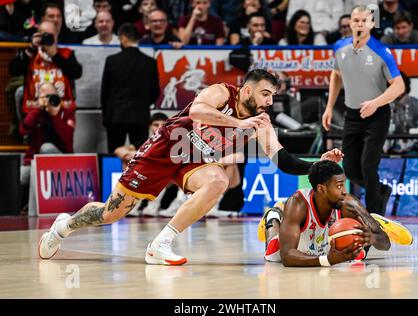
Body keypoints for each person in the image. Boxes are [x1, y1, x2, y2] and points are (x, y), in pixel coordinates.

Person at [38, 68, 344, 265]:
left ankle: (161, 244)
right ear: (248, 91)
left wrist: (320, 163)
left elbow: (284, 162)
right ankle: (64, 225)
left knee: (218, 181)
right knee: (111, 213)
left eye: (272, 97)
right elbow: (198, 109)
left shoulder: (260, 124)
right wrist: (239, 122)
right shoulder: (223, 91)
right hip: (165, 149)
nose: (268, 102)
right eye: (265, 94)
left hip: (195, 161)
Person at [322, 5, 405, 216]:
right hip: (352, 115)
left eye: (364, 20)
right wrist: (329, 107)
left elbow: (399, 85)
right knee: (349, 168)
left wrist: (376, 102)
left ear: (372, 24)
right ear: (350, 23)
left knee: (368, 165)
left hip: (376, 116)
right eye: (355, 20)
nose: (359, 24)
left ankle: (374, 217)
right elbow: (336, 75)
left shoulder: (381, 51)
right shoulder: (340, 48)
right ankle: (380, 190)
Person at [258, 160, 413, 266]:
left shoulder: (349, 203)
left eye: (344, 184)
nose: (345, 191)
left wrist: (372, 238)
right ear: (321, 188)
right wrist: (327, 260)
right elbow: (287, 257)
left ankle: (374, 220)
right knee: (272, 251)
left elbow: (385, 243)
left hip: (329, 247)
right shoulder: (298, 203)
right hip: (301, 247)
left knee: (358, 253)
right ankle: (274, 216)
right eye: (339, 186)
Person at [101, 23, 160, 154]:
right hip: (140, 116)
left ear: (123, 38)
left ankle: (114, 175)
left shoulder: (112, 60)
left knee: (114, 155)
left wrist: (106, 116)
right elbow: (155, 92)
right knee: (139, 156)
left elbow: (105, 92)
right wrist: (142, 104)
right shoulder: (150, 62)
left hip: (115, 117)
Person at [19, 82, 75, 212]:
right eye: (44, 96)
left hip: (62, 162)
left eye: (52, 96)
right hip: (36, 164)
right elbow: (23, 131)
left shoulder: (67, 113)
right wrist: (37, 110)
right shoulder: (35, 113)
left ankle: (34, 207)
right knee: (20, 175)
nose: (49, 99)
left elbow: (67, 138)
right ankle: (26, 206)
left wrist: (55, 115)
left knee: (46, 148)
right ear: (38, 98)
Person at [9, 20, 82, 114]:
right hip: (34, 110)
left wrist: (55, 55)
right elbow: (14, 70)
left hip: (61, 110)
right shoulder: (31, 53)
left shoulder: (66, 53)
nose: (48, 38)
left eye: (52, 35)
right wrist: (31, 48)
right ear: (38, 36)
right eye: (45, 35)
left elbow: (76, 73)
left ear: (57, 35)